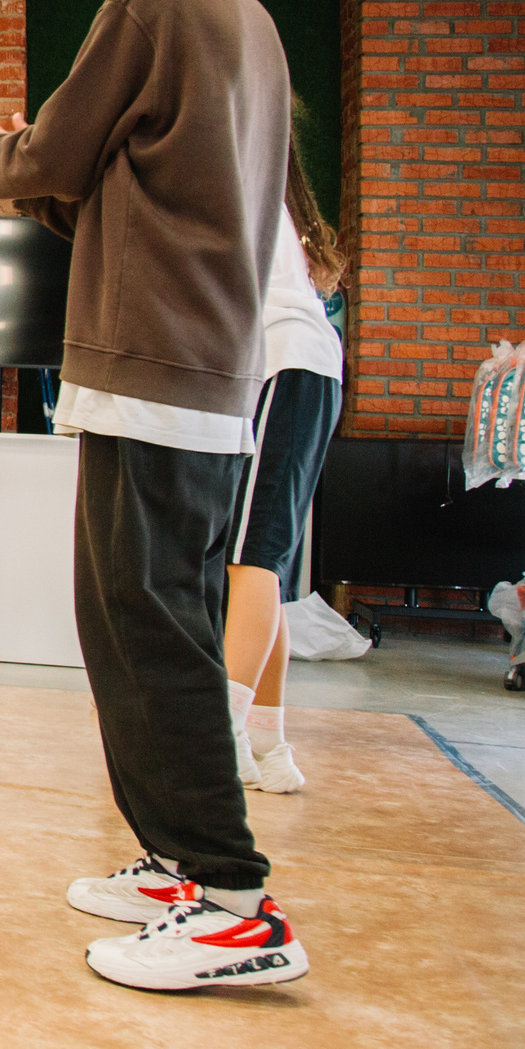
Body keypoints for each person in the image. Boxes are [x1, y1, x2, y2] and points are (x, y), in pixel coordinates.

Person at [0, 0, 303, 993]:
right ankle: (179, 861)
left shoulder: (155, 3)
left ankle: (232, 900)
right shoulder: (258, 33)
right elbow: (120, 191)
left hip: (152, 364)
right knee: (137, 618)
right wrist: (13, 171)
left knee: (147, 630)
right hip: (198, 367)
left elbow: (53, 153)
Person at [224, 122, 346, 795]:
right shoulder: (274, 196)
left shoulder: (245, 188)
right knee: (264, 563)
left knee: (250, 560)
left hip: (286, 363)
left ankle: (224, 732)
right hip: (309, 367)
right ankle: (267, 740)